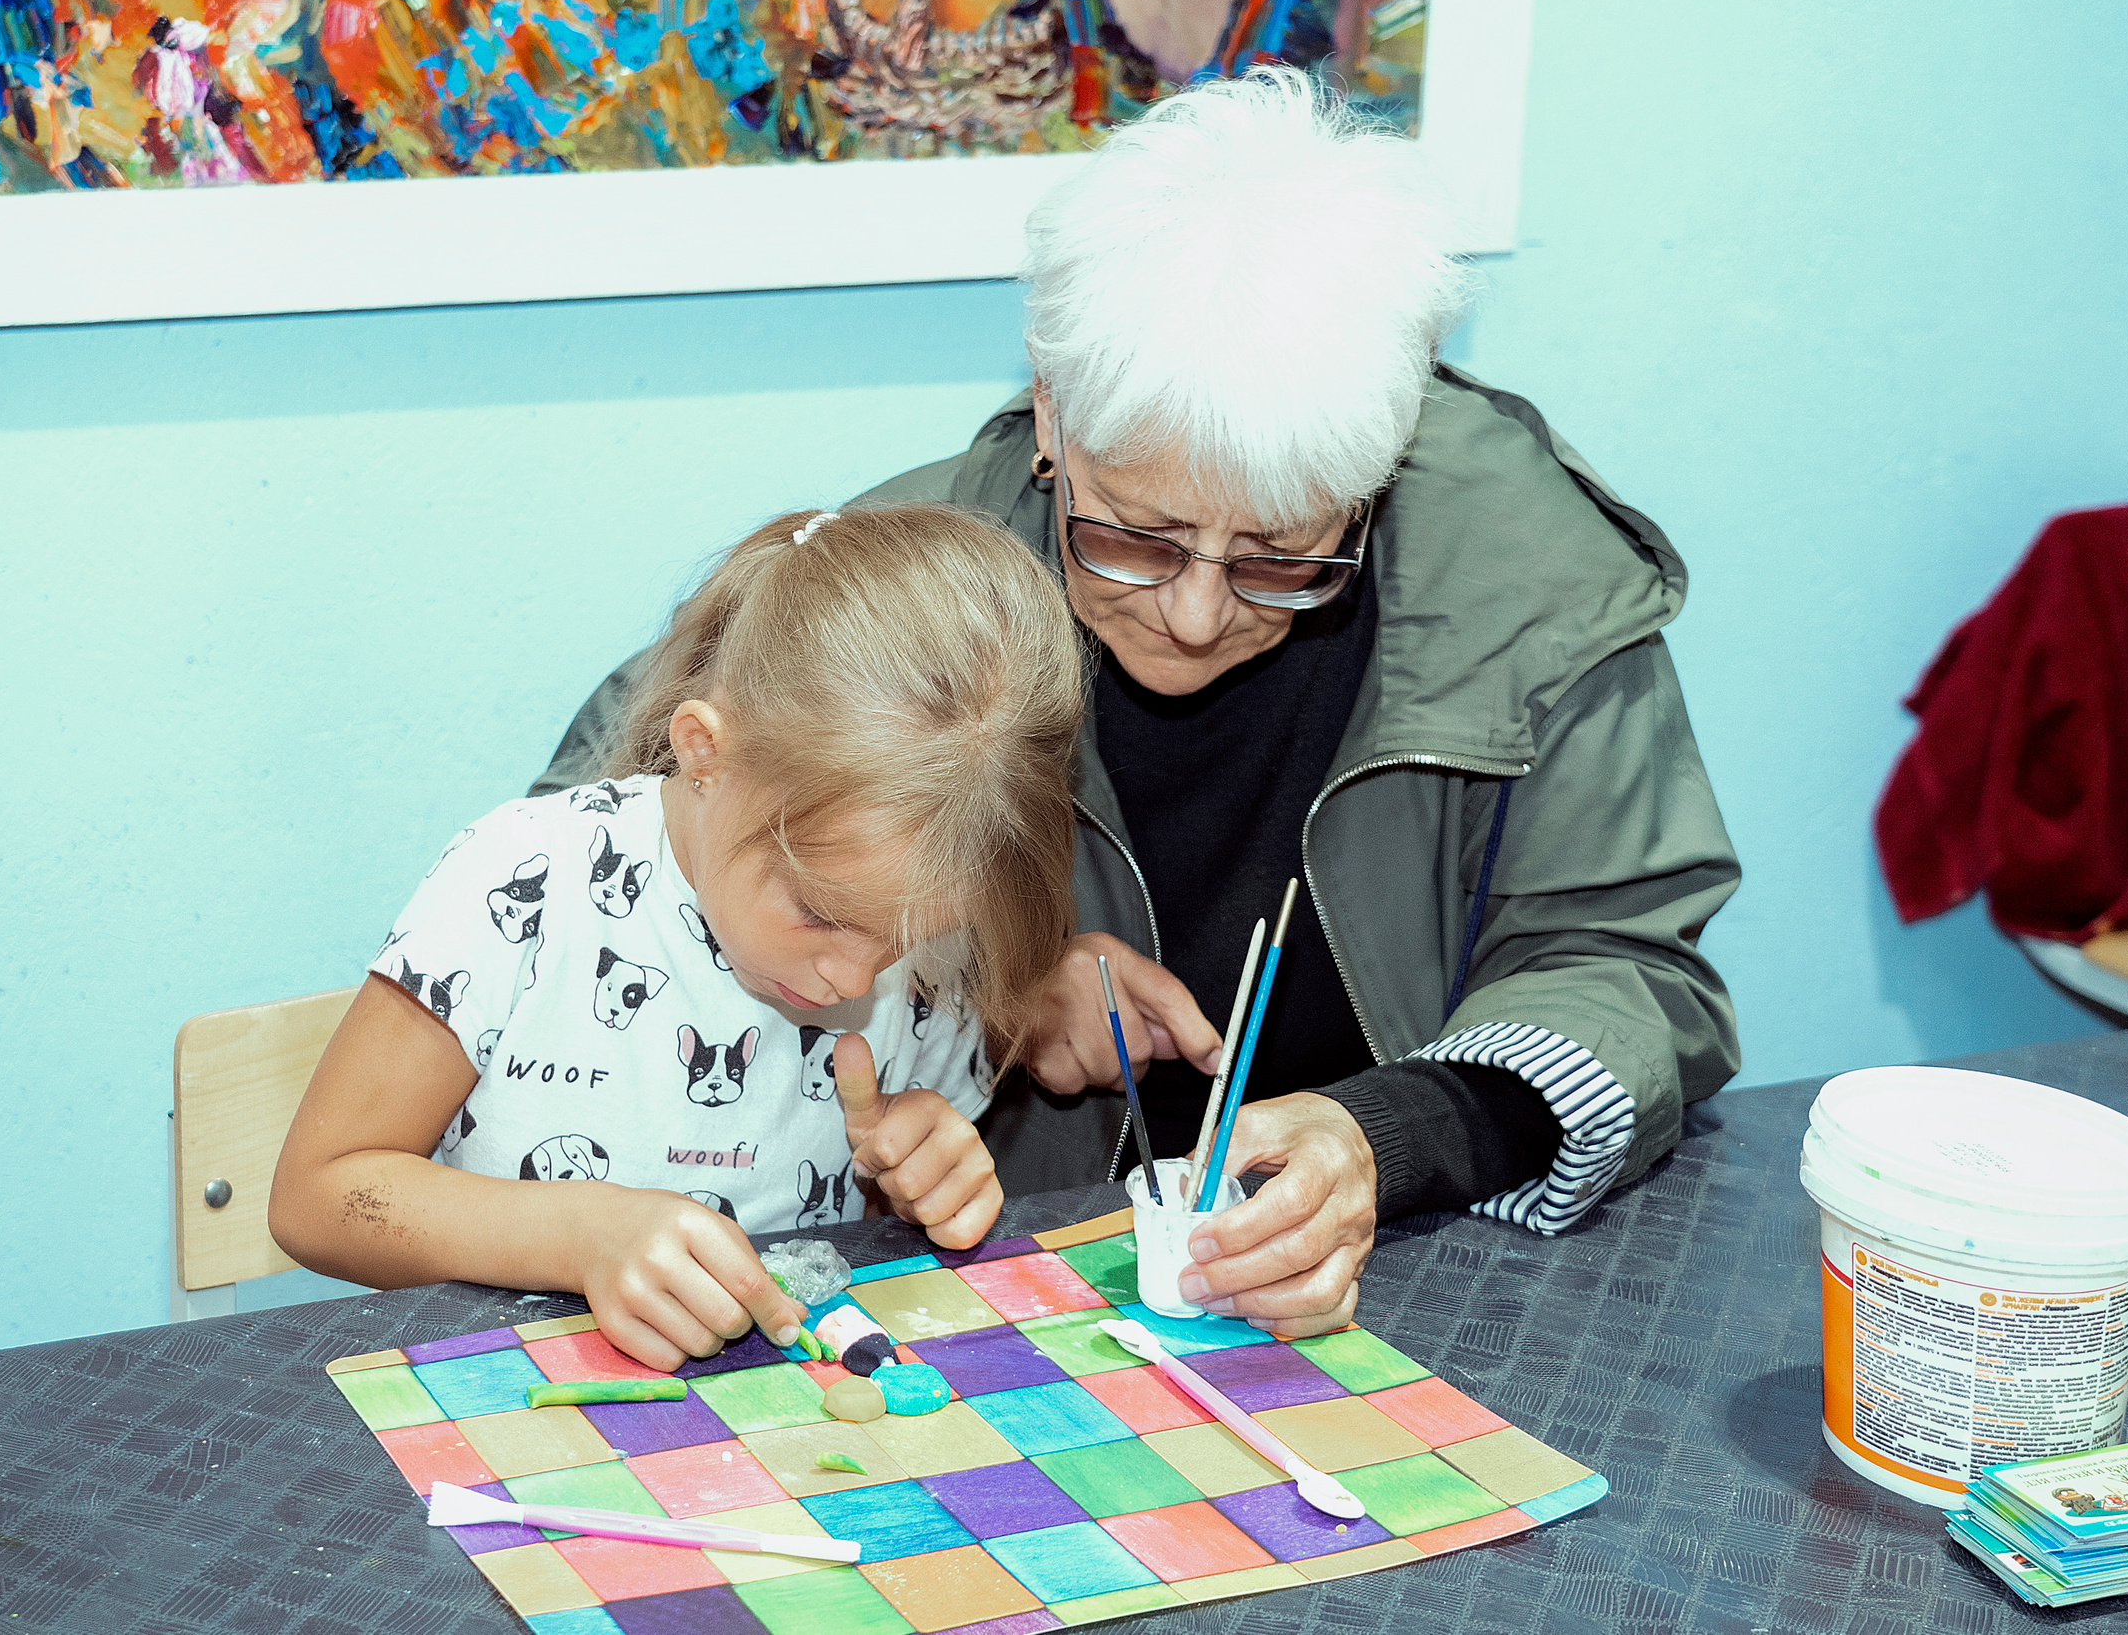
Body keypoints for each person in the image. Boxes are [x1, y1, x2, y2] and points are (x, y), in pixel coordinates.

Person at [537, 68, 1742, 1340]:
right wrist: (976, 979)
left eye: (1283, 553)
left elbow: (1630, 971)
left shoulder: (1534, 590)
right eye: (1138, 537)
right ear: (1053, 416)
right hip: (1018, 1286)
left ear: (1377, 478)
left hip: (1421, 1279)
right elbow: (593, 886)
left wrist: (1386, 1135)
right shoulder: (895, 592)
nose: (1196, 612)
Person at [271, 505, 1088, 1371]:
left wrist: (910, 1174)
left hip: (771, 1432)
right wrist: (580, 1233)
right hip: (502, 1410)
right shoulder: (523, 881)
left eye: (913, 935)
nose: (855, 971)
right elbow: (315, 1198)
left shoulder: (915, 948)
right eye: (819, 909)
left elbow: (858, 1219)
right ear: (704, 753)